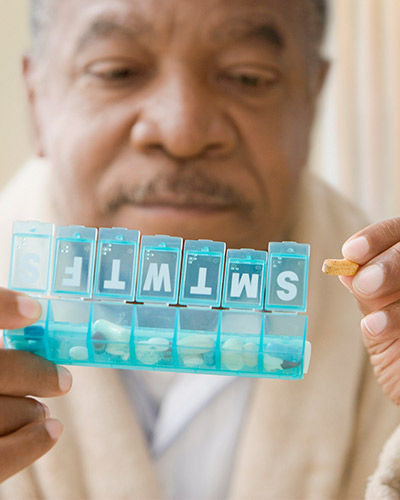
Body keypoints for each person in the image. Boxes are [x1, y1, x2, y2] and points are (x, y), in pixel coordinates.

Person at [0, 0, 399, 498]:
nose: (182, 131)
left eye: (248, 77)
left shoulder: (390, 324)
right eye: (116, 71)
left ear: (313, 97)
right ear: (36, 96)